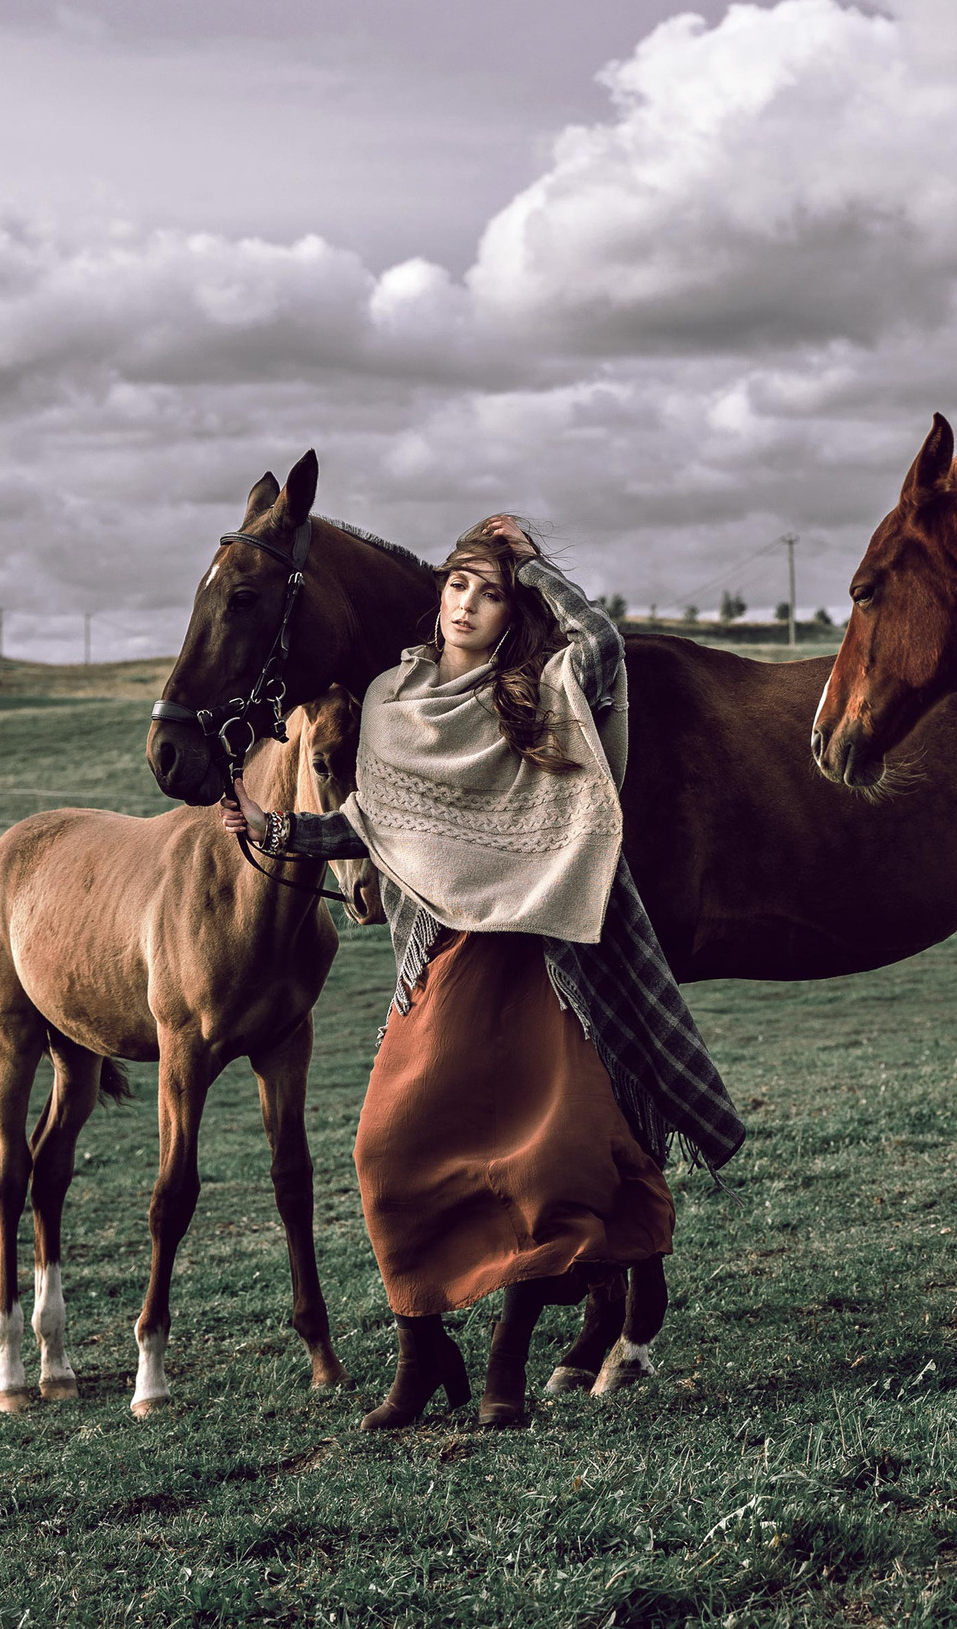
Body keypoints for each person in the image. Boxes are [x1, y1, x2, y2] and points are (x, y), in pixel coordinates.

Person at [224, 514, 743, 1428]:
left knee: (548, 1165)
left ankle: (504, 1367)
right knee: (385, 1154)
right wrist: (281, 834)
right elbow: (379, 828)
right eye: (460, 582)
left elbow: (604, 642)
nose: (468, 601)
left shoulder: (541, 690)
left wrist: (537, 571)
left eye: (490, 591)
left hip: (537, 962)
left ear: (515, 611)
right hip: (442, 964)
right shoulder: (391, 700)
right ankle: (423, 1357)